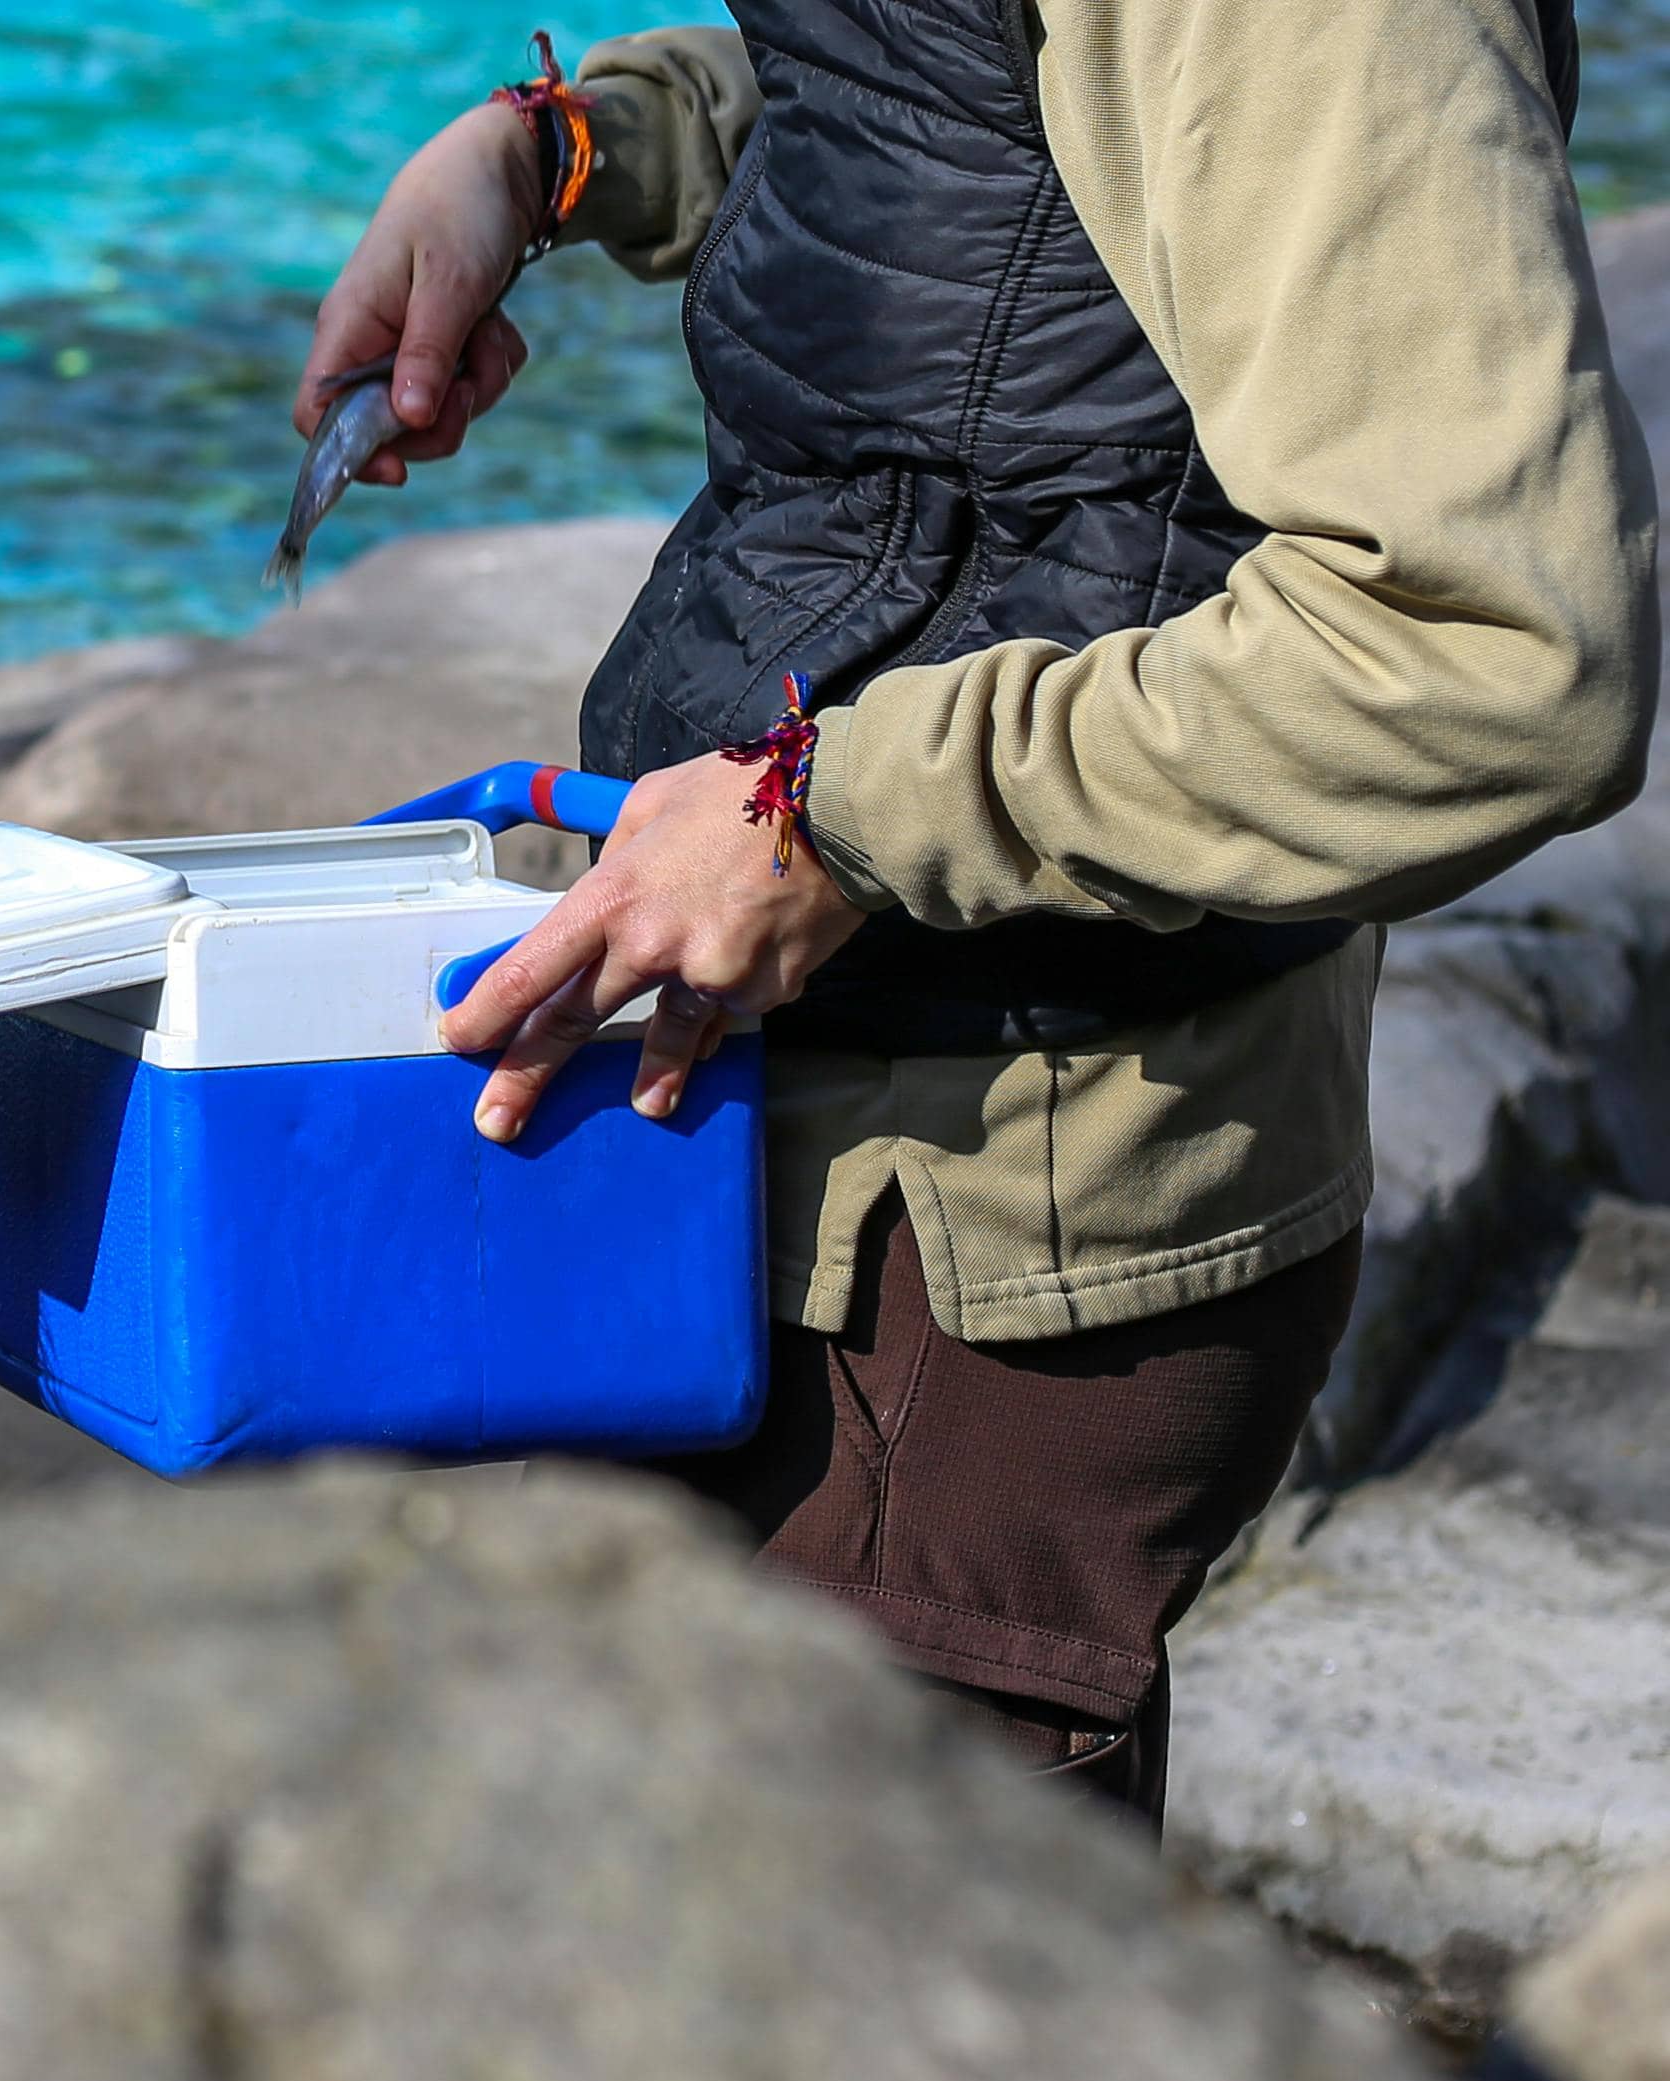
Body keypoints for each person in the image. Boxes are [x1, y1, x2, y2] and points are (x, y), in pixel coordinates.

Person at [308, 0, 1655, 1825]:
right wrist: (568, 153)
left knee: (875, 2075)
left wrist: (834, 814)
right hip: (796, 1153)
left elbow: (1499, 653)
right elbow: (958, 128)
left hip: (989, 1236)